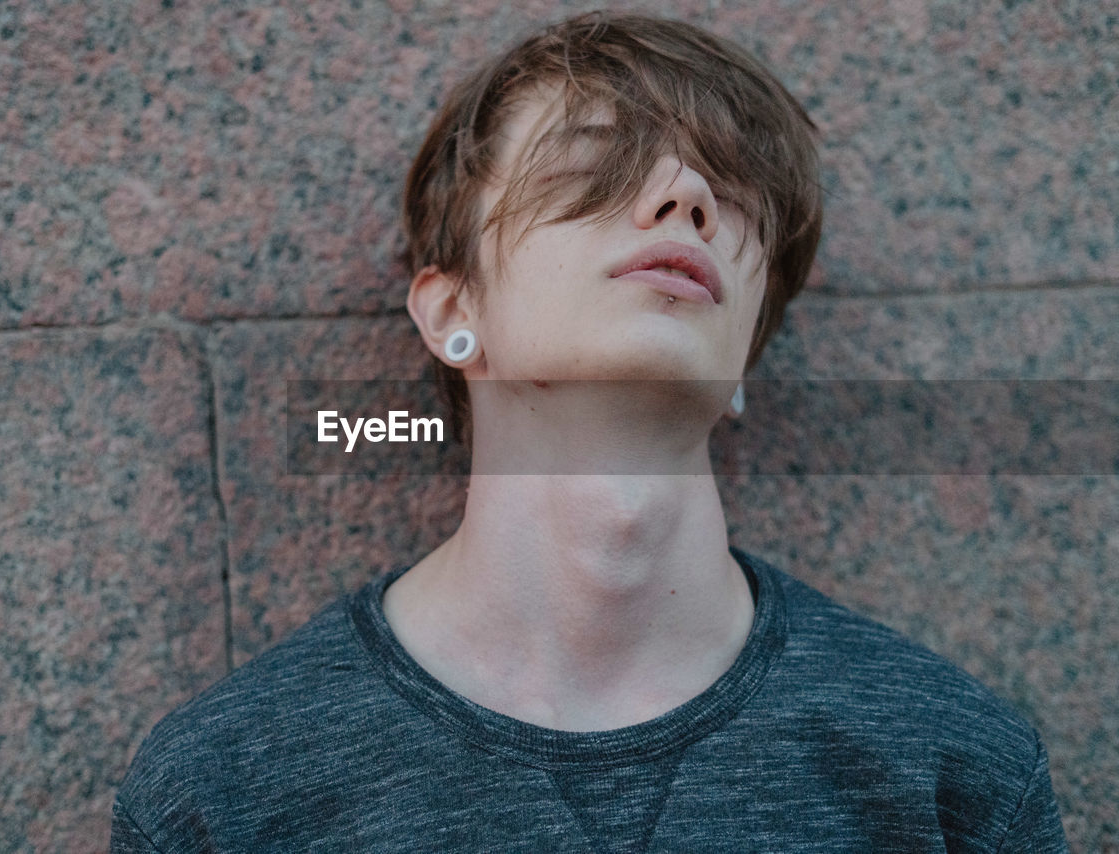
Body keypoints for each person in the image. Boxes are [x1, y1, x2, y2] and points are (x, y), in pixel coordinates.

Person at [111, 12, 1068, 851]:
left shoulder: (953, 766)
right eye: (592, 163)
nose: (686, 197)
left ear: (746, 358)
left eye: (729, 196)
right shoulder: (227, 791)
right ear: (453, 311)